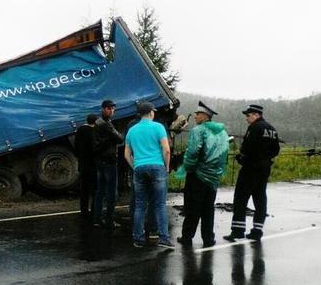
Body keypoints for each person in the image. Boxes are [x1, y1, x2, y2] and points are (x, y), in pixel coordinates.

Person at [174, 101, 230, 248]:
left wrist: (188, 168)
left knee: (193, 208)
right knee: (208, 209)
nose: (195, 116)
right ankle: (208, 238)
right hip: (213, 176)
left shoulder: (198, 130)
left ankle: (187, 237)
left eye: (198, 114)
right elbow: (224, 154)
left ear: (205, 116)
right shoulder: (222, 132)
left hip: (197, 175)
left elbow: (193, 152)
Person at [223, 104, 280, 242]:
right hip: (265, 168)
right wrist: (265, 158)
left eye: (248, 116)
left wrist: (242, 157)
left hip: (251, 168)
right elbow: (276, 150)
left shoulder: (254, 128)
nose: (246, 119)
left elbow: (248, 147)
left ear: (256, 115)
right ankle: (257, 231)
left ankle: (237, 231)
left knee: (240, 199)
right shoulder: (272, 129)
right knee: (260, 199)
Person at [124, 101, 174, 249]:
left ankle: (138, 238)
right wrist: (166, 166)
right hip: (157, 166)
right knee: (159, 204)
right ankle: (163, 237)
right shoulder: (158, 127)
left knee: (139, 205)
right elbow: (166, 150)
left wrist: (135, 166)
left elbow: (126, 154)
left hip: (139, 167)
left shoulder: (132, 130)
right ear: (151, 113)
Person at [92, 100, 124, 228]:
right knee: (111, 192)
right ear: (103, 109)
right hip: (109, 161)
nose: (111, 111)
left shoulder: (97, 122)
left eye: (113, 109)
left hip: (100, 161)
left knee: (100, 191)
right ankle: (109, 220)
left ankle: (97, 218)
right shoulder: (106, 124)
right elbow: (120, 139)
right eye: (109, 108)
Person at [74, 114, 98, 221]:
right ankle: (94, 211)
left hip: (82, 164)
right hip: (92, 164)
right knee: (94, 189)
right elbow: (94, 148)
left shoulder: (80, 131)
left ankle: (83, 210)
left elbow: (76, 146)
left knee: (84, 189)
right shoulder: (92, 132)